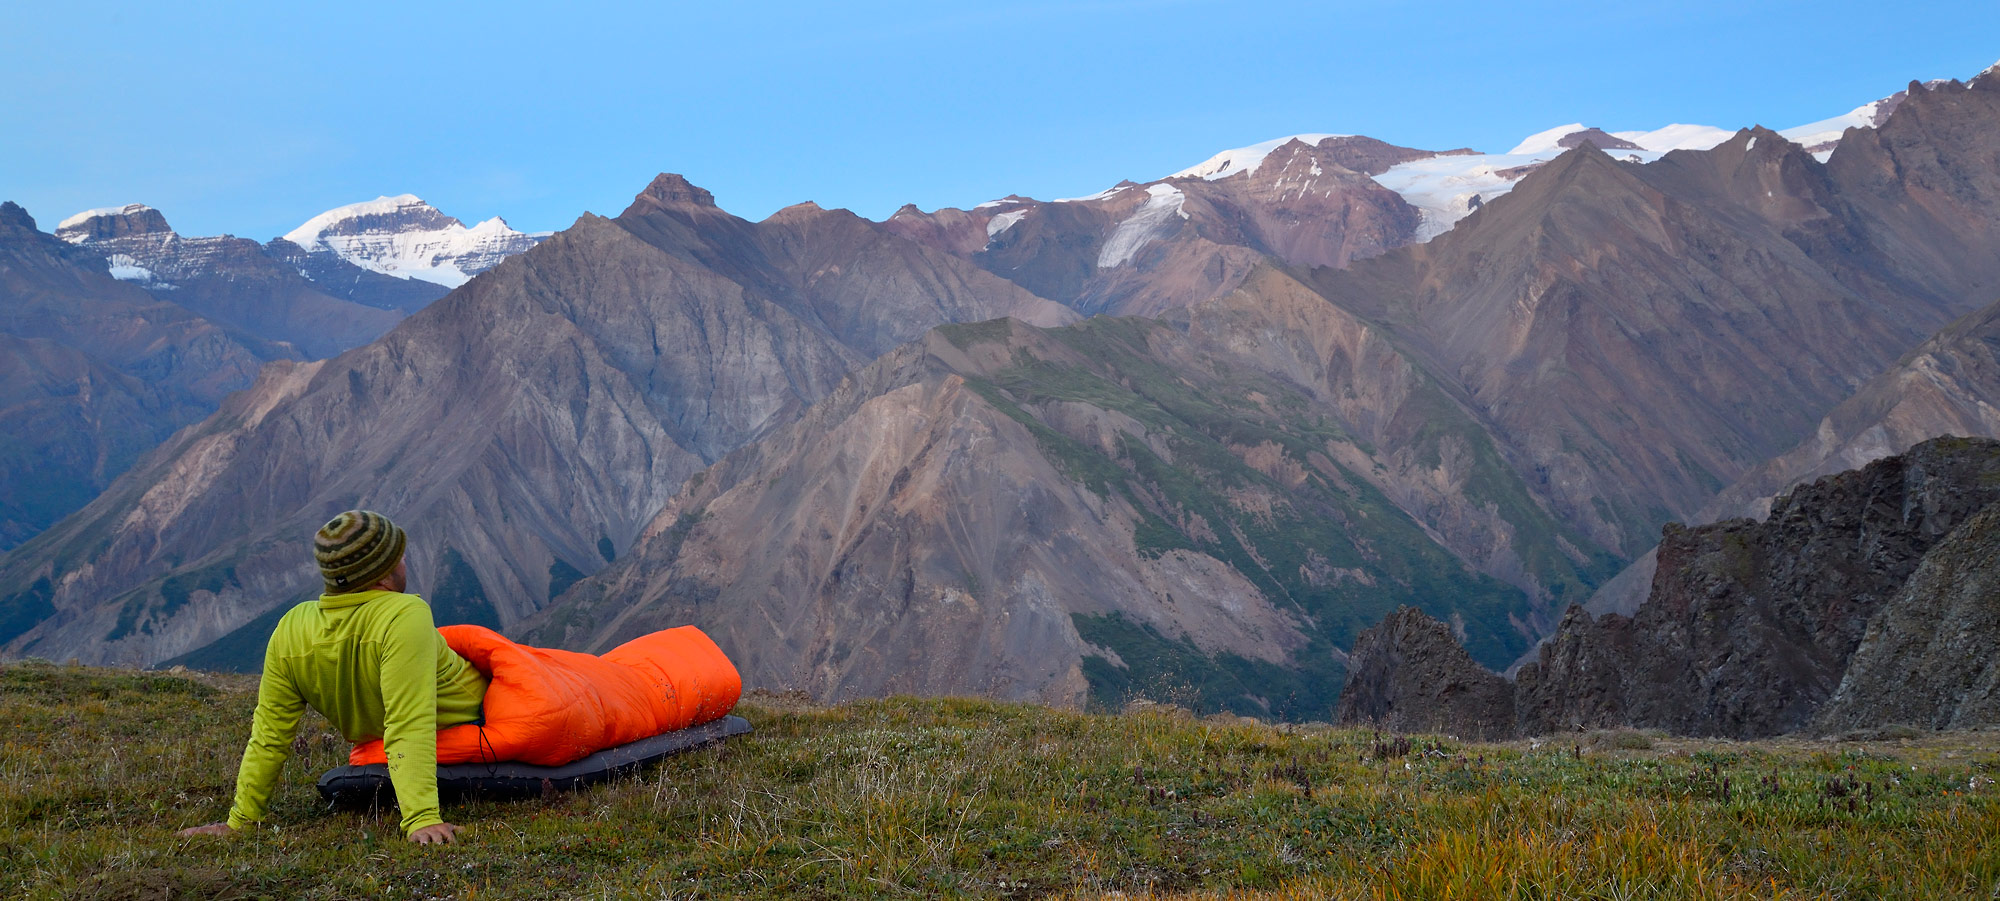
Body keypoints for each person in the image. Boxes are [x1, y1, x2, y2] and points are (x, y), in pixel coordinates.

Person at [178, 510, 489, 844]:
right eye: (399, 558)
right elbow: (409, 722)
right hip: (486, 718)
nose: (405, 564)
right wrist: (422, 818)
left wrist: (241, 820)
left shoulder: (291, 628)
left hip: (396, 742)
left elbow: (270, 735)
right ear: (381, 575)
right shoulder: (404, 614)